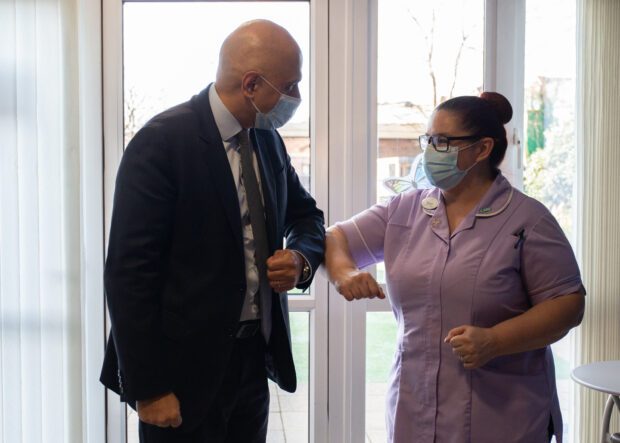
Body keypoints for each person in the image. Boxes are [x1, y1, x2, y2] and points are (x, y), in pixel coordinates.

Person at [100, 20, 325, 443]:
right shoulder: (162, 143)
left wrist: (301, 260)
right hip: (179, 377)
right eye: (290, 85)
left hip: (252, 364)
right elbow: (129, 275)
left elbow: (307, 216)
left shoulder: (268, 140)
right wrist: (149, 388)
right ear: (252, 84)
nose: (295, 97)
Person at [324, 92, 585, 443]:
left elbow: (567, 305)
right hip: (415, 410)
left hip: (502, 416)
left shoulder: (528, 220)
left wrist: (495, 340)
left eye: (442, 141)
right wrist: (345, 273)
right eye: (428, 140)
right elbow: (335, 237)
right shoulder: (404, 210)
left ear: (482, 149)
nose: (430, 150)